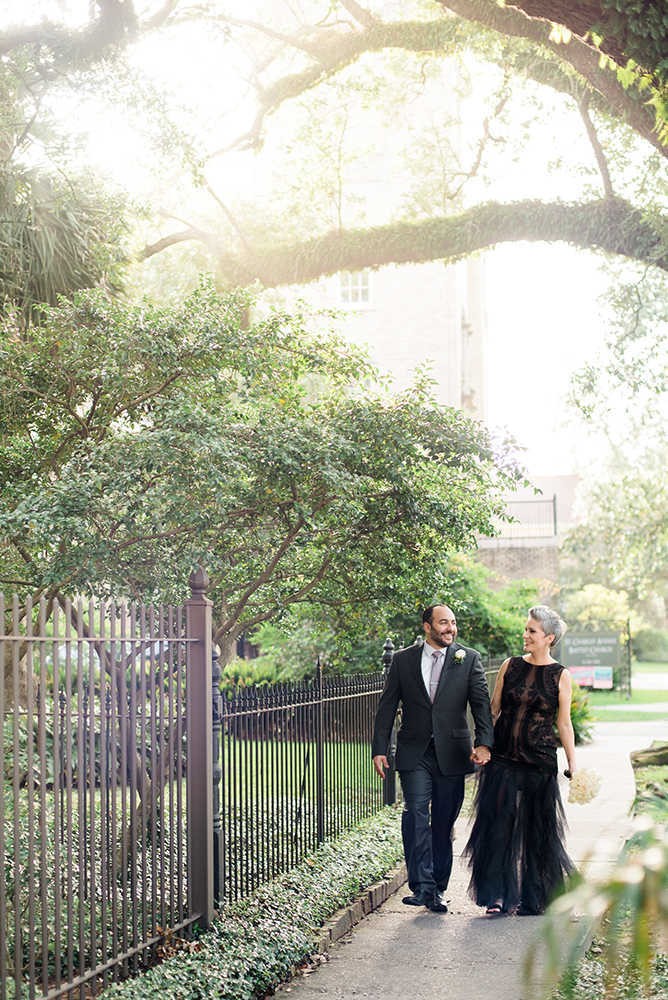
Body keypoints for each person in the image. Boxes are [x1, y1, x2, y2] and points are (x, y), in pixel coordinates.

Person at [372, 604, 494, 913]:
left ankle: (438, 887)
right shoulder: (403, 661)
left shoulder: (468, 659)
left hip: (452, 753)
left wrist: (484, 744)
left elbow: (481, 706)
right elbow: (387, 706)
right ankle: (422, 886)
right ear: (427, 626)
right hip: (414, 751)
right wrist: (379, 748)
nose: (450, 628)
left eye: (453, 623)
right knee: (415, 814)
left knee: (443, 822)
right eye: (443, 623)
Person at [464, 605, 577, 916]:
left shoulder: (561, 675)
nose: (525, 635)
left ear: (549, 638)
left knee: (536, 831)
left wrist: (572, 764)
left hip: (539, 762)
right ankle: (498, 895)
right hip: (503, 758)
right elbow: (493, 710)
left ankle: (534, 896)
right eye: (526, 629)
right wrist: (483, 744)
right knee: (497, 825)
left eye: (532, 631)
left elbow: (564, 724)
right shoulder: (509, 666)